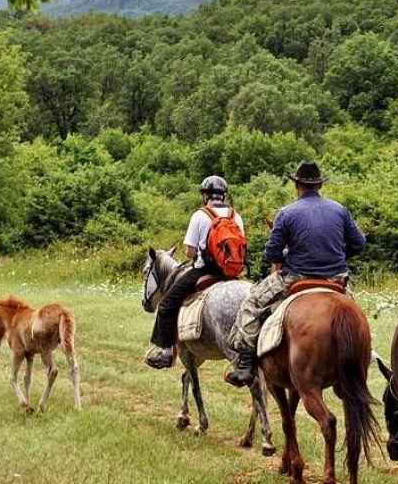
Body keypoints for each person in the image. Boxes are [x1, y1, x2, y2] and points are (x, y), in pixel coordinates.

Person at [224, 161, 366, 387]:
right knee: (356, 313)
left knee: (251, 304)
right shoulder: (340, 210)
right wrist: (337, 255)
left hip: (296, 276)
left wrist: (289, 254)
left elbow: (272, 253)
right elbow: (359, 243)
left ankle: (245, 365)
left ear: (297, 185)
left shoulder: (286, 213)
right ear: (319, 185)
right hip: (336, 278)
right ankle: (362, 356)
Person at [144, 175, 245, 369]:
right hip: (231, 273)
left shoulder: (200, 215)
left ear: (205, 195)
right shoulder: (235, 216)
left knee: (166, 305)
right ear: (223, 195)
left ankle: (165, 351)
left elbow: (190, 251)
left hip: (204, 270)